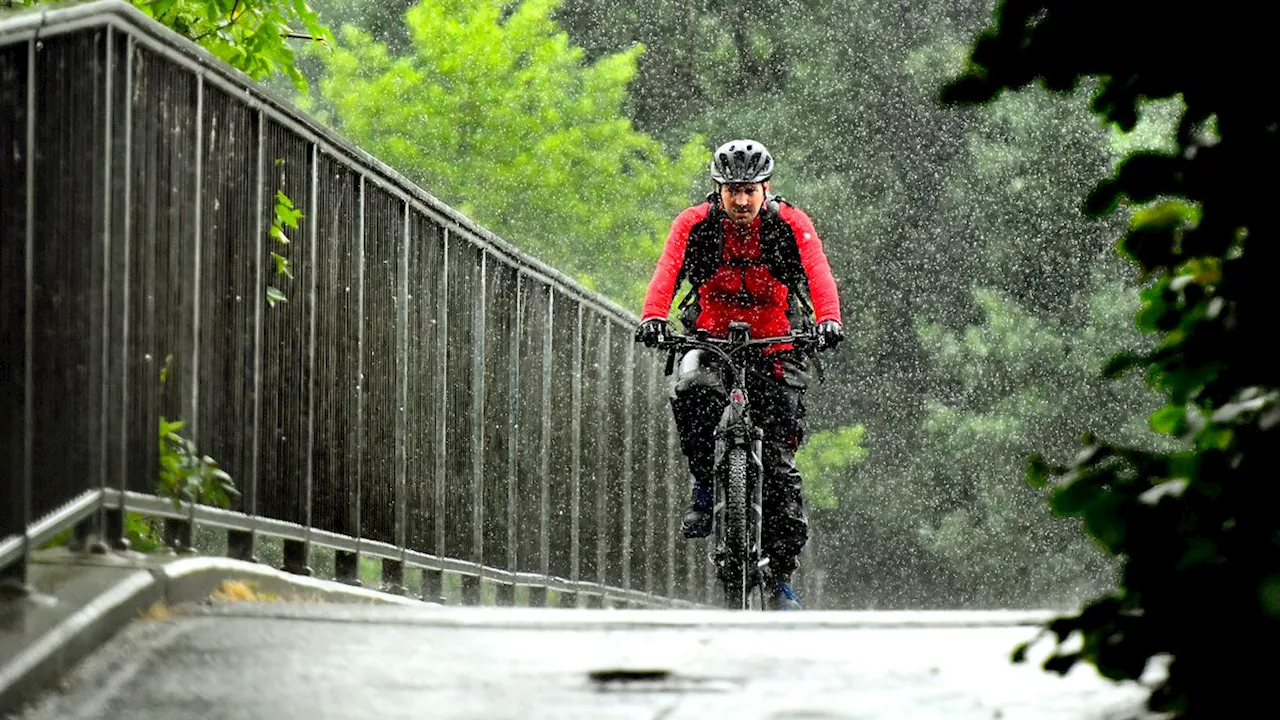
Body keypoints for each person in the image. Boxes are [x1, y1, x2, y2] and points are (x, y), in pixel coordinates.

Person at [634, 139, 843, 610]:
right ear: (718, 189)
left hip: (775, 343)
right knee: (690, 389)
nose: (742, 201)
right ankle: (707, 484)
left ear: (766, 187)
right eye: (733, 191)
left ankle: (781, 578)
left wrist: (829, 318)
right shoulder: (694, 225)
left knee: (784, 470)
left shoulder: (791, 225)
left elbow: (818, 273)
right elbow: (667, 270)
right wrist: (652, 315)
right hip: (710, 337)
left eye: (750, 190)